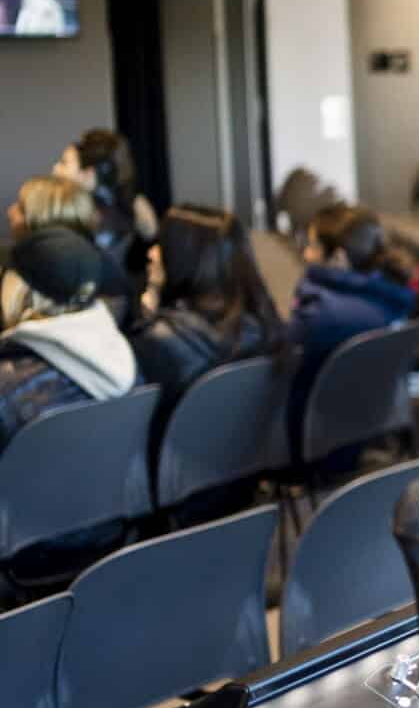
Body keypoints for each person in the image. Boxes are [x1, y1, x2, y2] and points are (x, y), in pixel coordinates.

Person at [0, 226, 138, 597]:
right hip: (112, 539)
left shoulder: (6, 386)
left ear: (23, 290)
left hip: (25, 557)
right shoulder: (125, 360)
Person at [286, 203, 417, 451]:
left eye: (313, 246)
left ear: (338, 258)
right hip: (374, 436)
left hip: (318, 447)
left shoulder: (318, 316)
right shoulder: (393, 301)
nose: (306, 255)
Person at [124, 204, 282, 403]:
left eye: (162, 244)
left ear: (184, 259)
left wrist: (150, 317)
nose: (152, 253)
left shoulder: (155, 342)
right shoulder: (262, 326)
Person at [7, 175, 138, 325]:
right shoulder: (101, 264)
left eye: (20, 208)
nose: (10, 212)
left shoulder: (90, 276)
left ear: (43, 215)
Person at [54, 128, 159, 293]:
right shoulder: (132, 204)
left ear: (88, 174)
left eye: (64, 163)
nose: (56, 169)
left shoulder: (126, 210)